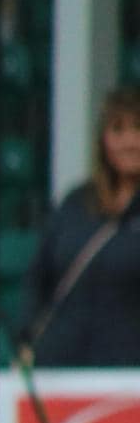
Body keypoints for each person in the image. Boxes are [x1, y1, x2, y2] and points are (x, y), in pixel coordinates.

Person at [19, 84, 140, 368]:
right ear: (103, 140)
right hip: (63, 366)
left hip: (130, 375)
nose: (129, 142)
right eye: (118, 130)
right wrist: (25, 338)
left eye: (138, 129)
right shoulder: (75, 203)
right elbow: (39, 276)